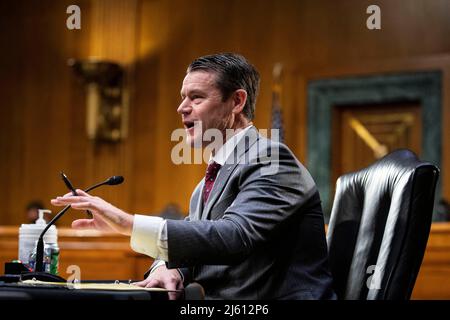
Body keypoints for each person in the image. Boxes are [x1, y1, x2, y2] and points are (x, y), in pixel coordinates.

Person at [51, 53, 336, 300]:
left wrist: (127, 223)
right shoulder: (205, 185)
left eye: (196, 97)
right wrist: (167, 267)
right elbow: (201, 247)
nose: (182, 107)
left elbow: (235, 237)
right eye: (182, 97)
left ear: (236, 101)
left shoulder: (272, 160)